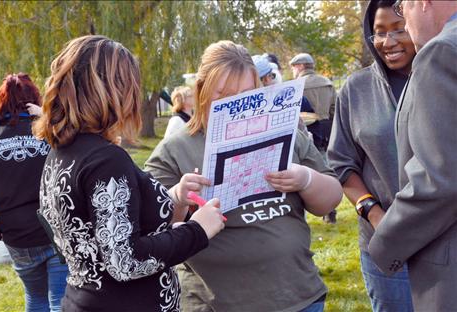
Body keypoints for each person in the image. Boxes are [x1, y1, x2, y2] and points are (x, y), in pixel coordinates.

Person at [145, 40, 343, 312]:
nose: (238, 103)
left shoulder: (287, 132)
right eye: (224, 95)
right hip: (216, 302)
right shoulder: (175, 148)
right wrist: (177, 198)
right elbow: (147, 227)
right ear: (202, 91)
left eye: (247, 93)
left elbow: (330, 199)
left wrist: (306, 179)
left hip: (296, 294)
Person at [32, 35, 225, 311]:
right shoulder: (105, 160)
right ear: (112, 90)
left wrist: (175, 197)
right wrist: (198, 230)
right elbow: (124, 261)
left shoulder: (62, 152)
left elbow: (106, 226)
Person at [327, 0, 416, 310]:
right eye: (378, 33)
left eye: (399, 29)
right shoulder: (356, 89)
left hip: (445, 243)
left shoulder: (443, 78)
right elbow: (341, 162)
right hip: (386, 247)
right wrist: (377, 217)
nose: (388, 43)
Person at [368, 1, 457, 311]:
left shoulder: (440, 52)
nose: (404, 16)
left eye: (402, 8)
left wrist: (384, 244)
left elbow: (439, 179)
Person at [0, 73, 69, 312]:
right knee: (59, 301)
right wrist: (47, 116)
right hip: (54, 229)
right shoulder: (51, 134)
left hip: (16, 234)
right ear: (34, 99)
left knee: (35, 298)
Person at [290, 52, 337, 224]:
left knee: (308, 171)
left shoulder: (295, 86)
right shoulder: (327, 83)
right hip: (325, 129)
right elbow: (334, 110)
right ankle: (330, 210)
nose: (293, 70)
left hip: (305, 132)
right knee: (324, 167)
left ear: (301, 66)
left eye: (294, 67)